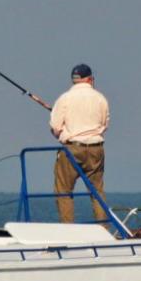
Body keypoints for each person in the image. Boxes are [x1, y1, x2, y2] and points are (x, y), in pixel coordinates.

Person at [47, 63, 109, 223]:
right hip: (96, 149)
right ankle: (103, 227)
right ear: (90, 79)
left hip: (71, 149)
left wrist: (62, 132)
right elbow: (104, 125)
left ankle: (69, 228)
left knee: (64, 190)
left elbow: (55, 127)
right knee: (97, 192)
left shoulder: (65, 98)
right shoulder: (100, 99)